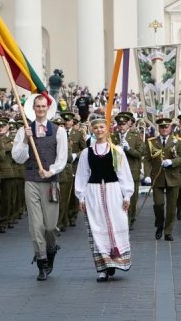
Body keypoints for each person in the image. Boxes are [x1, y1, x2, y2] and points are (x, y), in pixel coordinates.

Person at [12, 94, 68, 281]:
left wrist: (51, 172)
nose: (40, 109)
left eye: (43, 106)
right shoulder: (24, 131)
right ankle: (41, 262)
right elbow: (17, 157)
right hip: (31, 180)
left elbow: (62, 158)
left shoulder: (58, 131)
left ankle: (51, 249)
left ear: (48, 108)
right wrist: (26, 141)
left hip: (50, 182)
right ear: (33, 109)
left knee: (50, 226)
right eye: (37, 106)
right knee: (36, 225)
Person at [75, 117, 133, 282]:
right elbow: (82, 174)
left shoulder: (117, 151)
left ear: (107, 129)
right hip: (93, 192)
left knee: (116, 224)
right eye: (96, 128)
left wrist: (127, 194)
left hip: (113, 191)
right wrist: (81, 197)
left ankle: (115, 260)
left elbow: (123, 172)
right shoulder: (87, 152)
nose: (99, 130)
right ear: (92, 131)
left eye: (101, 127)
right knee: (97, 227)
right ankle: (102, 267)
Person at [146, 118, 181, 241]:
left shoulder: (177, 141)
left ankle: (168, 231)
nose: (164, 129)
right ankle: (159, 224)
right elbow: (147, 159)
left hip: (173, 177)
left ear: (170, 128)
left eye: (167, 127)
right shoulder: (151, 142)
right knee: (158, 204)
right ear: (159, 128)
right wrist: (147, 175)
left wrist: (172, 162)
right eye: (162, 127)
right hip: (158, 177)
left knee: (171, 207)